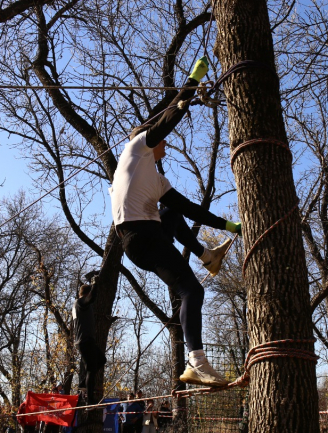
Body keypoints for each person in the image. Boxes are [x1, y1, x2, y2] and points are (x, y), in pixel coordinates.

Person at [109, 56, 241, 388]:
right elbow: (165, 122)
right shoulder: (135, 149)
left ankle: (207, 256)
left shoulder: (155, 179)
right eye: (161, 140)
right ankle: (196, 363)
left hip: (144, 238)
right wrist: (191, 83)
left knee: (171, 213)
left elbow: (189, 208)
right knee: (191, 289)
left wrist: (230, 227)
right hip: (142, 237)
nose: (165, 143)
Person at [72, 273, 107, 395]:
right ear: (86, 294)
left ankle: (83, 383)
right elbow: (91, 298)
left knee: (101, 360)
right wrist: (95, 285)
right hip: (85, 340)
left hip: (86, 340)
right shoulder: (80, 302)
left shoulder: (79, 306)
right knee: (91, 369)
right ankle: (89, 399)